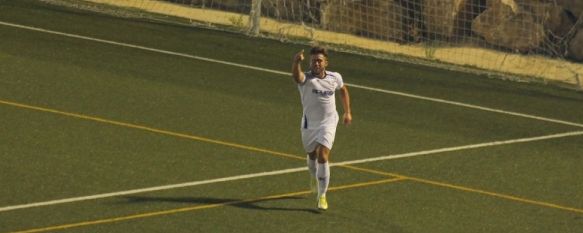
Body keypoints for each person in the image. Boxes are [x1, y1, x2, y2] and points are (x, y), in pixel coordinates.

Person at [292, 46, 352, 210]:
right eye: (313, 61)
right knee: (311, 155)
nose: (316, 63)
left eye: (319, 60)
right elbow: (297, 77)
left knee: (323, 155)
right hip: (309, 124)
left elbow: (343, 90)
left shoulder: (335, 77)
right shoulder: (307, 79)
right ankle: (313, 176)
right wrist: (296, 63)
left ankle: (322, 195)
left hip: (329, 122)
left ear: (326, 62)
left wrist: (347, 112)